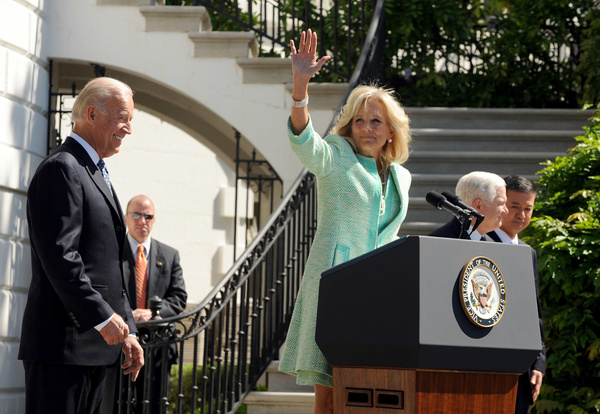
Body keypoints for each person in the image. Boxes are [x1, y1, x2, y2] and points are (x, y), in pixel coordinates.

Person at [278, 29, 412, 413]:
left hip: (379, 292)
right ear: (349, 126)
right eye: (359, 120)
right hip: (337, 285)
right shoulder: (336, 156)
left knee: (369, 389)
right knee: (330, 389)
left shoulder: (402, 176)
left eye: (376, 122)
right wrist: (300, 87)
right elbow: (305, 141)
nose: (367, 128)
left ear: (390, 131)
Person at [18, 77, 144, 414]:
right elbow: (61, 258)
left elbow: (109, 265)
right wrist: (104, 319)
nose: (128, 129)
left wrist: (128, 329)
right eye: (123, 119)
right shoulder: (62, 168)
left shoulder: (93, 170)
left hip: (94, 349)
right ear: (91, 113)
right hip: (63, 349)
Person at [102, 195, 188, 414]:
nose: (143, 221)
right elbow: (106, 291)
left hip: (158, 346)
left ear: (154, 220)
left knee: (154, 405)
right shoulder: (113, 252)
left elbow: (178, 297)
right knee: (116, 405)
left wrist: (149, 314)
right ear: (126, 218)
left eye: (148, 216)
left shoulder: (169, 255)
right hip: (120, 344)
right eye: (137, 215)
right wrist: (130, 315)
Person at [487, 176, 546, 413]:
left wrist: (539, 363)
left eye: (527, 209)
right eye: (515, 207)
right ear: (501, 205)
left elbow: (534, 313)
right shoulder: (480, 242)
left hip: (522, 369)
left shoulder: (527, 252)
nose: (521, 215)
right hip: (488, 365)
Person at [429, 171, 508, 240]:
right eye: (500, 204)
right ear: (478, 206)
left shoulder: (491, 244)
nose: (506, 211)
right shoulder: (439, 242)